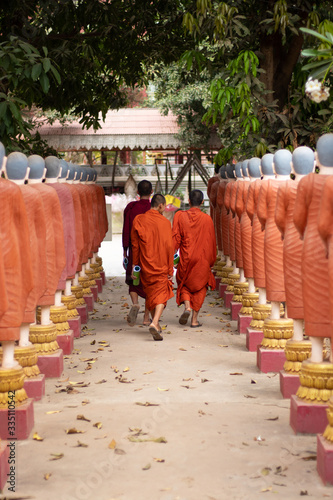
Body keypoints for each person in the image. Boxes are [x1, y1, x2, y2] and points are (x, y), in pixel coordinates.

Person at [131, 193, 174, 341]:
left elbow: (135, 246)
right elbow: (170, 247)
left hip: (146, 264)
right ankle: (155, 322)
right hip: (161, 264)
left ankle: (154, 322)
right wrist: (170, 269)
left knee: (151, 295)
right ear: (161, 206)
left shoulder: (139, 220)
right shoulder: (165, 223)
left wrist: (135, 266)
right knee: (162, 294)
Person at [172, 190, 216, 327]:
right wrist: (211, 261)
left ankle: (187, 307)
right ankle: (194, 320)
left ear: (189, 201)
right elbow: (211, 242)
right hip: (201, 259)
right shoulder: (207, 219)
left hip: (186, 257)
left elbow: (175, 239)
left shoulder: (180, 216)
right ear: (202, 202)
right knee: (200, 286)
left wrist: (173, 257)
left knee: (184, 283)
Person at [122, 180, 152, 326]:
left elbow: (126, 230)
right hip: (150, 251)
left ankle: (135, 304)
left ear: (137, 192)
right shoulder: (153, 208)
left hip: (135, 250)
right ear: (151, 192)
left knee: (134, 281)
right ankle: (146, 318)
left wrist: (125, 251)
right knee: (149, 284)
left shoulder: (131, 207)